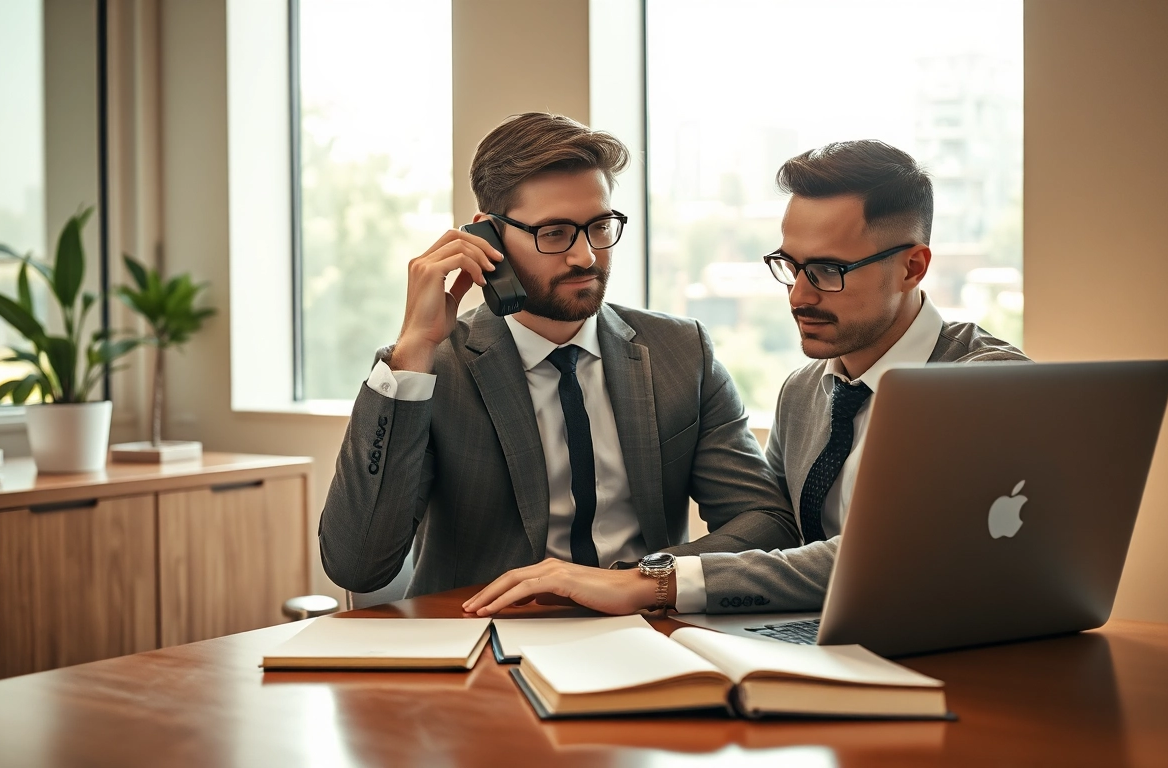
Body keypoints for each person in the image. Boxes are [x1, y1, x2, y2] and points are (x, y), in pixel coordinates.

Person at [464, 139, 1029, 617]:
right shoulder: (807, 391)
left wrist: (654, 580)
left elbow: (892, 556)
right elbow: (784, 541)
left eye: (828, 271)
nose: (800, 296)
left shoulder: (987, 384)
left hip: (968, 657)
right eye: (790, 266)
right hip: (826, 645)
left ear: (913, 267)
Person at [319, 113, 799, 599]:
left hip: (642, 630)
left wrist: (637, 580)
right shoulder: (432, 368)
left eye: (600, 226)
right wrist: (415, 348)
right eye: (554, 233)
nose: (586, 256)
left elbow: (765, 522)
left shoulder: (681, 351)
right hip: (482, 638)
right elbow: (357, 566)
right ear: (489, 237)